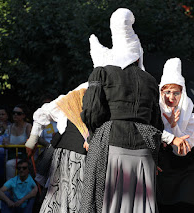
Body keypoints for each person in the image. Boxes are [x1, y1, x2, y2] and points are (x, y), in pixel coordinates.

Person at [80, 8, 163, 213]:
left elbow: (91, 111)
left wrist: (94, 134)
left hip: (112, 142)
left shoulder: (101, 73)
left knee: (108, 204)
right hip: (144, 147)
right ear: (137, 55)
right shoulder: (150, 80)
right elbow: (156, 121)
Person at [25, 82, 88, 212]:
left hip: (88, 157)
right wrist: (32, 139)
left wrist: (32, 140)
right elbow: (43, 113)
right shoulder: (82, 90)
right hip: (69, 157)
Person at [156, 57, 194, 212]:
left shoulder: (192, 117)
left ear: (182, 93)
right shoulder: (155, 113)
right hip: (163, 175)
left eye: (176, 92)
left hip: (188, 175)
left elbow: (182, 149)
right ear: (161, 91)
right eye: (167, 92)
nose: (171, 97)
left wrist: (174, 127)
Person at [3, 105, 31, 180]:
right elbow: (5, 142)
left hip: (26, 156)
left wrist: (12, 145)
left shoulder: (28, 126)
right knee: (9, 164)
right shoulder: (9, 127)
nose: (15, 115)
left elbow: (30, 140)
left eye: (18, 113)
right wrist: (19, 145)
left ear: (23, 115)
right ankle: (10, 188)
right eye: (14, 113)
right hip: (12, 156)